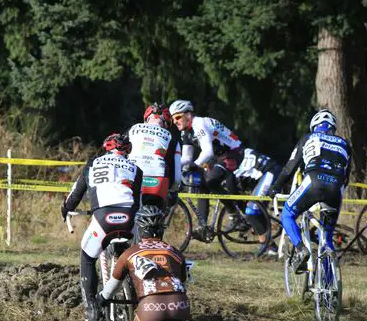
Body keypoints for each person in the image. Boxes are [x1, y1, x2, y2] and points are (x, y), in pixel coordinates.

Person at [61, 133, 143, 321]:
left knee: (87, 256)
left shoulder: (93, 164)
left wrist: (66, 209)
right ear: (128, 150)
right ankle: (125, 297)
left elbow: (76, 193)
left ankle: (91, 307)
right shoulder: (136, 169)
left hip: (103, 218)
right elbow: (138, 201)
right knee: (132, 258)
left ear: (107, 148)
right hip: (129, 219)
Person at [270, 109, 352, 272]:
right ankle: (330, 293)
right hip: (336, 187)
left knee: (287, 213)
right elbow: (346, 177)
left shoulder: (308, 138)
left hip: (313, 181)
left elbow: (289, 168)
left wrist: (275, 187)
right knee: (326, 240)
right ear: (333, 129)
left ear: (314, 126)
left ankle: (301, 249)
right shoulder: (344, 144)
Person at [168, 99, 251, 235]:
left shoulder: (199, 123)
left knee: (210, 181)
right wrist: (173, 165)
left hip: (233, 152)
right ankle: (203, 227)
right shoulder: (186, 132)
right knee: (202, 184)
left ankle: (235, 215)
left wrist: (194, 165)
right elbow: (186, 158)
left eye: (177, 117)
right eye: (173, 119)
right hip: (219, 157)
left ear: (188, 115)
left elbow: (207, 151)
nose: (175, 121)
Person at [128, 103, 181, 208]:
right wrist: (173, 191)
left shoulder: (132, 130)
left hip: (131, 177)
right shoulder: (172, 139)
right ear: (166, 124)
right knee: (156, 218)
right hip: (157, 182)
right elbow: (177, 179)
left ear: (146, 118)